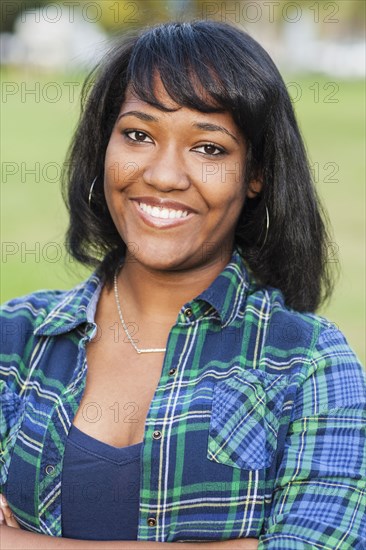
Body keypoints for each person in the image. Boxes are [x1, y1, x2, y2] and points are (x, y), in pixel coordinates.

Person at [0, 19, 365, 550]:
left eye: (210, 148)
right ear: (104, 147)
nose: (165, 175)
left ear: (256, 172)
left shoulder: (308, 360)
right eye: (139, 135)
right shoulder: (15, 339)